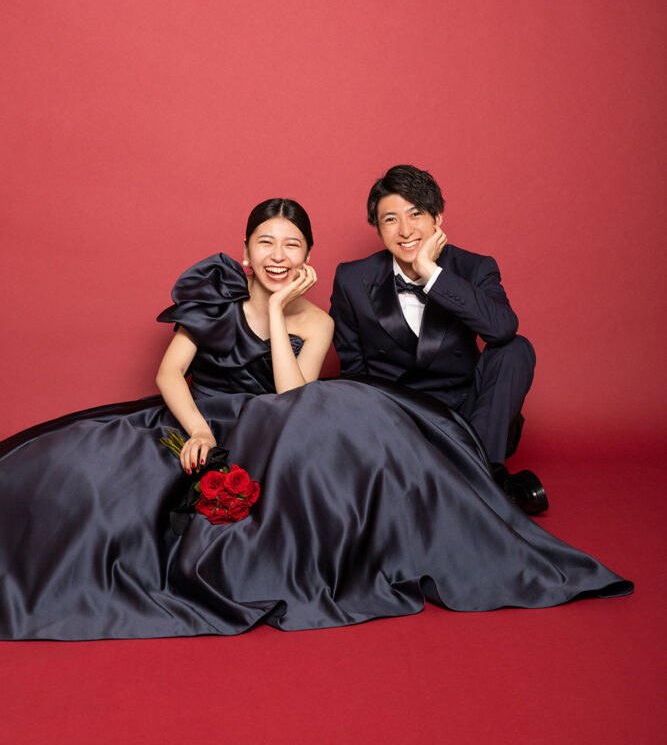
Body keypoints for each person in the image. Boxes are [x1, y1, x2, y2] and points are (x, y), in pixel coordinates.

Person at [0, 198, 631, 640]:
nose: (277, 255)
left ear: (308, 257)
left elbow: (291, 397)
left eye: (292, 245)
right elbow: (170, 376)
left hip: (269, 426)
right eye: (266, 243)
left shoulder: (317, 320)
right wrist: (197, 430)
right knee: (89, 481)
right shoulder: (213, 301)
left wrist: (280, 311)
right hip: (195, 417)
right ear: (245, 251)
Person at [330, 164, 546, 513]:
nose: (405, 230)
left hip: (471, 418)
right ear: (379, 229)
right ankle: (486, 489)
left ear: (437, 218)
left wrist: (431, 273)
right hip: (402, 419)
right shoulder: (352, 278)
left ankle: (474, 472)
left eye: (415, 214)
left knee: (516, 348)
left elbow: (502, 328)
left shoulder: (474, 267)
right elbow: (354, 372)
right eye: (390, 219)